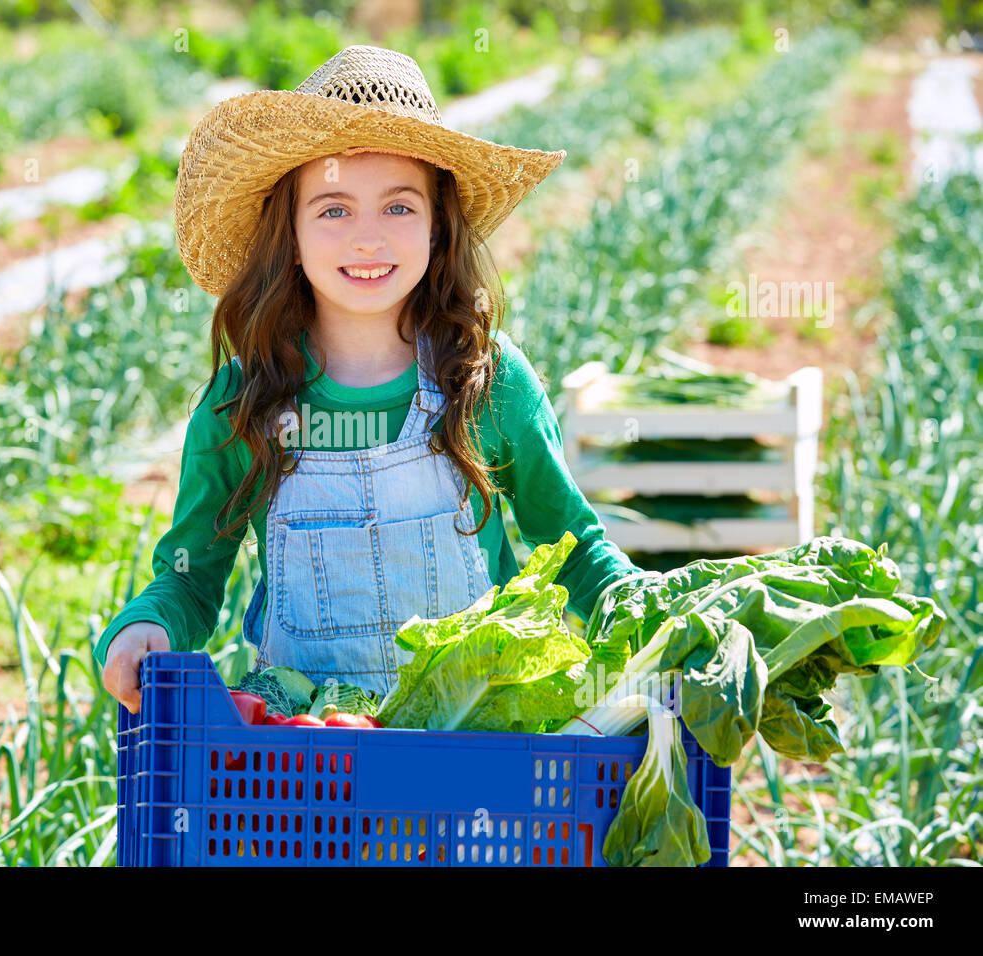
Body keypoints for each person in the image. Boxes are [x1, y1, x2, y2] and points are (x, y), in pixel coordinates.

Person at [97, 45, 641, 713]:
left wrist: (651, 617)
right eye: (332, 209)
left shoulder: (487, 383)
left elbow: (576, 551)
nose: (367, 239)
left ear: (440, 227)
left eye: (399, 208)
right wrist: (146, 625)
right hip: (309, 762)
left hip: (477, 744)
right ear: (289, 233)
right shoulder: (247, 402)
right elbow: (190, 577)